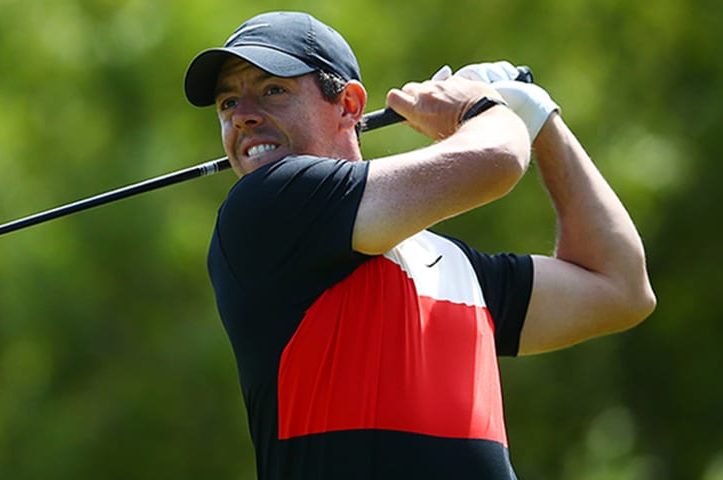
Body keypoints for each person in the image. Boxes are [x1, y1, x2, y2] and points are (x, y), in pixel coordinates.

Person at [183, 11, 656, 479]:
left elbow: (619, 287)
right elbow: (498, 159)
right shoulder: (264, 209)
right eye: (227, 103)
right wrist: (483, 108)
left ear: (349, 105)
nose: (242, 116)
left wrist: (541, 117)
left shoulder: (451, 266)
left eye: (272, 90)